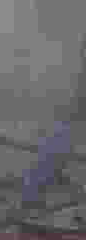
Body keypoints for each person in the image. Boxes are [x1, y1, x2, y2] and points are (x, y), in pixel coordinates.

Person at [19, 33, 86, 215]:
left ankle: (34, 195)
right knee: (58, 146)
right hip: (75, 116)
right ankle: (32, 197)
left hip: (74, 116)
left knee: (59, 146)